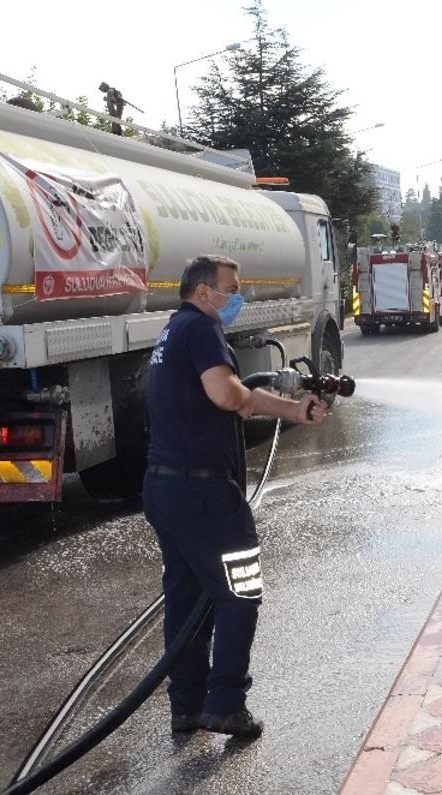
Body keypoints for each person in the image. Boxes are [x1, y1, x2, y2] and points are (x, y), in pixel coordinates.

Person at [143, 254, 326, 739]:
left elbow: (234, 394)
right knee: (240, 594)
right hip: (205, 493)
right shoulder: (203, 330)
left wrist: (293, 409)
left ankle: (187, 706)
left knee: (188, 599)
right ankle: (225, 704)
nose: (237, 297)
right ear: (204, 292)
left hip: (166, 486)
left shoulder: (173, 332)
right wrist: (248, 395)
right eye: (232, 288)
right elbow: (229, 396)